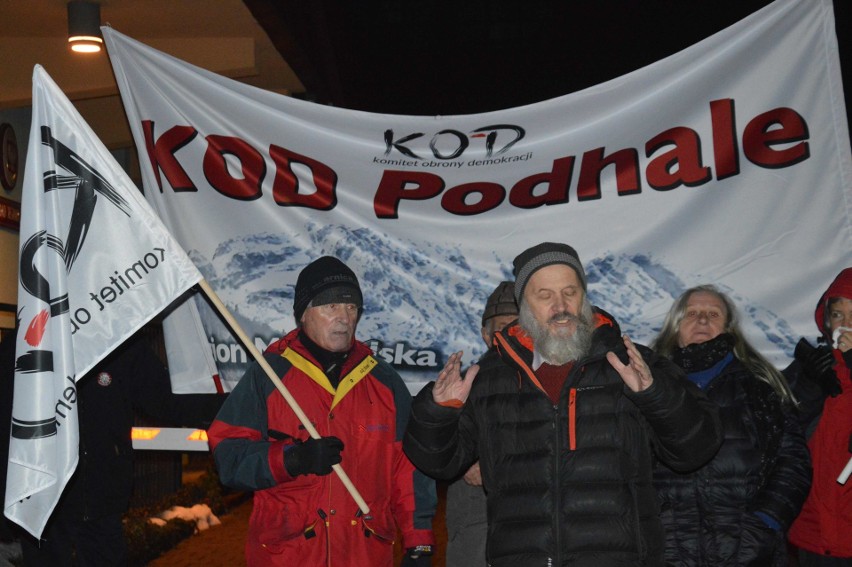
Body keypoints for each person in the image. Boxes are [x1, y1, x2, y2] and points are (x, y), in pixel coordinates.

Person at [403, 242, 722, 566]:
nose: (561, 306)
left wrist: (655, 396)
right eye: (545, 295)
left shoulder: (632, 364)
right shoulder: (490, 376)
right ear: (524, 306)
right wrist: (438, 412)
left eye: (570, 292)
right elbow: (438, 461)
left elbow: (696, 449)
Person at [207, 256, 436, 567]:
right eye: (331, 307)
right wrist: (291, 459)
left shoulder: (383, 381)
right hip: (288, 556)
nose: (344, 317)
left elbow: (408, 469)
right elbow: (229, 456)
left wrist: (419, 542)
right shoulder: (270, 375)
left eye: (352, 307)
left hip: (364, 556)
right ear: (304, 314)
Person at [0, 325, 225, 567]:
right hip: (43, 501)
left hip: (102, 494)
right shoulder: (26, 338)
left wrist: (230, 407)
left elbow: (165, 398)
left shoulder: (117, 338)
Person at [651, 285, 811, 566]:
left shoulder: (761, 388)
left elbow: (793, 463)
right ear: (675, 327)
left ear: (729, 329)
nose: (702, 320)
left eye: (713, 314)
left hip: (749, 552)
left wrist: (765, 523)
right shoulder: (648, 387)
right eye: (692, 313)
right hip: (668, 553)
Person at [445, 281, 517, 567]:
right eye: (502, 326)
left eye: (520, 325)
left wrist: (493, 468)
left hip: (530, 522)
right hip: (475, 517)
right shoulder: (461, 385)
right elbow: (437, 450)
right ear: (485, 335)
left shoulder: (550, 386)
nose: (511, 334)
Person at [787, 268, 852, 565]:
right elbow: (780, 430)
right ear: (826, 320)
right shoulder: (810, 369)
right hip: (814, 529)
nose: (847, 324)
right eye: (838, 315)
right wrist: (811, 385)